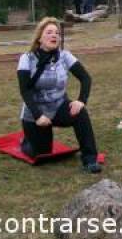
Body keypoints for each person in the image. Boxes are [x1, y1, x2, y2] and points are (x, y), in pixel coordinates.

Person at [16, 17, 101, 172]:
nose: (54, 35)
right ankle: (26, 142)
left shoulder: (64, 56)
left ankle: (89, 160)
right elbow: (25, 91)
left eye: (57, 33)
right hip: (36, 112)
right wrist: (38, 116)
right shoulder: (26, 59)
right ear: (39, 37)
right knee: (42, 154)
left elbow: (85, 78)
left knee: (80, 113)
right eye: (49, 32)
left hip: (58, 106)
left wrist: (81, 101)